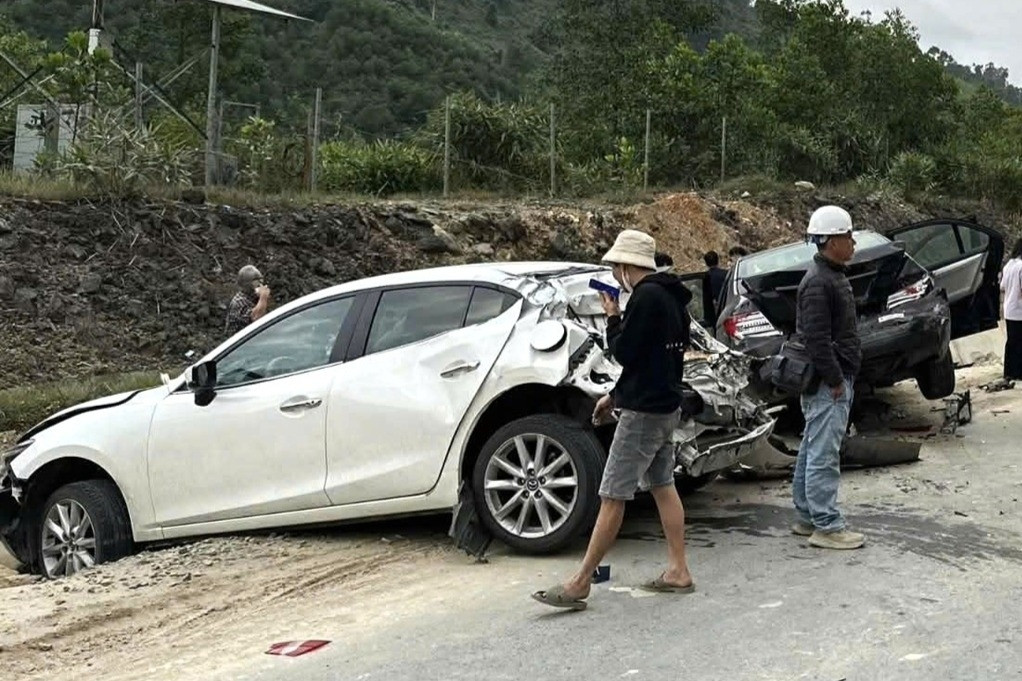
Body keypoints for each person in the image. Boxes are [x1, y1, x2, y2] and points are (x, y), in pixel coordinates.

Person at [532, 229, 695, 610]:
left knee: (612, 494)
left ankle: (580, 581)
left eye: (616, 267)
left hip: (643, 414)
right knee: (663, 485)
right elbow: (656, 359)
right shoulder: (674, 296)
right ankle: (678, 570)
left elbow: (625, 352)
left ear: (625, 266)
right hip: (666, 405)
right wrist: (615, 395)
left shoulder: (645, 297)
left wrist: (613, 317)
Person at [792, 206, 864, 550]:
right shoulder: (820, 282)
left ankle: (808, 516)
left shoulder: (829, 276)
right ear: (830, 240)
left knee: (811, 448)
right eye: (848, 236)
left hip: (828, 382)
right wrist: (836, 379)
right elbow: (816, 340)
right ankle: (827, 525)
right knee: (823, 453)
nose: (853, 243)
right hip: (827, 385)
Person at [225, 265, 271, 336]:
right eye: (257, 281)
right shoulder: (239, 301)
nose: (261, 284)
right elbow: (256, 318)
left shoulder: (254, 298)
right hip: (240, 343)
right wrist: (263, 296)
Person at [1001, 238, 1022, 380]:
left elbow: (1002, 286)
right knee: (1020, 343)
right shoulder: (1021, 266)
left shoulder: (1008, 265)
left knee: (1011, 342)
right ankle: (1019, 373)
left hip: (1009, 309)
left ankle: (1009, 372)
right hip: (1020, 310)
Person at [702, 250, 726, 327]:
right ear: (717, 260)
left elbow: (706, 298)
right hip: (728, 306)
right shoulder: (727, 274)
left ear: (706, 263)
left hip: (715, 313)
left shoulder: (706, 277)